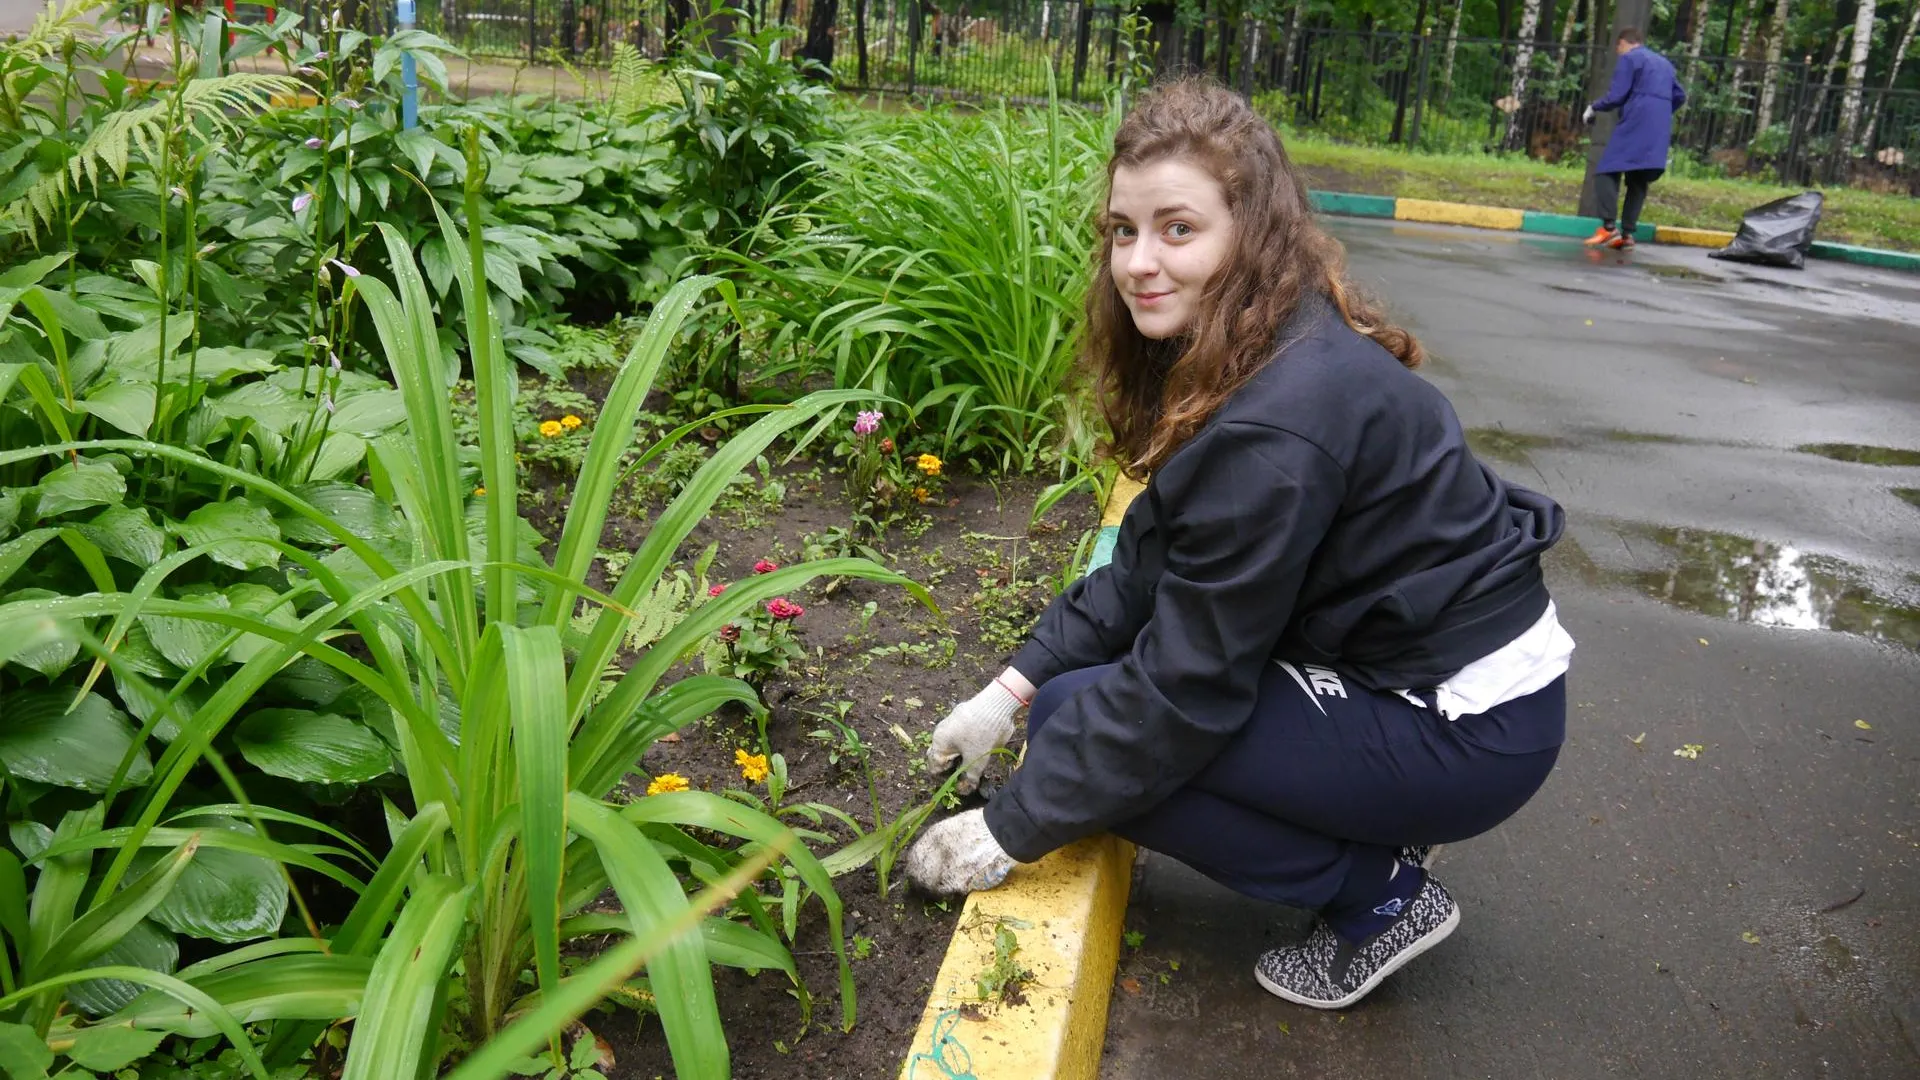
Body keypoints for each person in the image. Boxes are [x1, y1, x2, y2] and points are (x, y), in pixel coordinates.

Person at [901, 78, 1574, 1011]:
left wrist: (1009, 828)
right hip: (1419, 681)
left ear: (1250, 234)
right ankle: (1368, 822)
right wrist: (1002, 694)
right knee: (1063, 708)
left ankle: (1380, 897)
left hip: (1469, 730)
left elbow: (1186, 688)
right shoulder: (1258, 346)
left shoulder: (1279, 421)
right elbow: (1146, 560)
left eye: (1178, 229)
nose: (1139, 261)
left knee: (1087, 731)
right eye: (1122, 231)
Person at [1582, 27, 1687, 250]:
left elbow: (1617, 95)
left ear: (1622, 43)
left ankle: (1609, 229)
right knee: (1638, 177)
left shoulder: (1630, 58)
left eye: (1618, 48)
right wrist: (1659, 111)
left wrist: (1594, 107)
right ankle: (1628, 234)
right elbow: (1680, 96)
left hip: (1637, 119)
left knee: (1606, 170)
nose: (1618, 52)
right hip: (1658, 125)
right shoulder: (1664, 64)